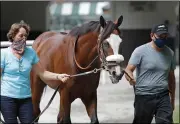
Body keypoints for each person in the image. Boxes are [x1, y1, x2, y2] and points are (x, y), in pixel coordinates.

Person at [0, 21, 70, 123]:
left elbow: (43, 73)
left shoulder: (31, 53)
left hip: (26, 99)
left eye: (26, 36)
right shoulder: (4, 54)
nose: (24, 38)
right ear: (13, 35)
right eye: (21, 35)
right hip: (7, 99)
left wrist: (58, 76)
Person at [125, 24, 176, 124]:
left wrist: (172, 100)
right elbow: (128, 70)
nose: (163, 39)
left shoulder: (170, 53)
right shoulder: (140, 51)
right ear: (152, 35)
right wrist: (130, 78)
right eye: (160, 36)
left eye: (165, 36)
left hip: (163, 96)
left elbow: (171, 78)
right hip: (144, 96)